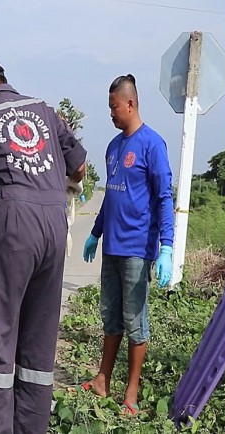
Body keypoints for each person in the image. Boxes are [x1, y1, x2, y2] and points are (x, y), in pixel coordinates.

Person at [0, 54, 86, 433]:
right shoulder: (44, 110)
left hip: (14, 223)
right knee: (38, 340)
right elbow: (78, 166)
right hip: (54, 222)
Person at [80, 73, 175, 416]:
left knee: (136, 321)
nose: (111, 113)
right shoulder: (114, 147)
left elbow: (164, 198)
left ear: (130, 103)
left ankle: (131, 393)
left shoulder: (152, 145)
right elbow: (111, 196)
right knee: (111, 317)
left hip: (138, 248)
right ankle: (103, 379)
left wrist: (166, 247)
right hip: (113, 248)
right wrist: (95, 232)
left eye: (113, 106)